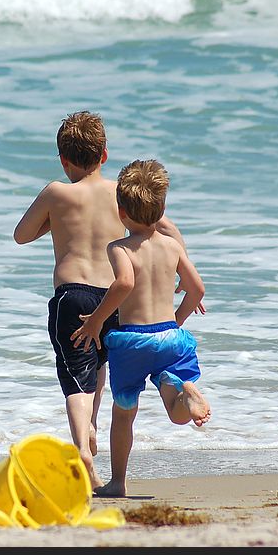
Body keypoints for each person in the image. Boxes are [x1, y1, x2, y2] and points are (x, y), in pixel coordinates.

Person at [13, 111, 200, 490]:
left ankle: (83, 444)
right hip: (113, 300)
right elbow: (166, 228)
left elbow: (22, 235)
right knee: (101, 372)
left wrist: (54, 219)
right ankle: (98, 437)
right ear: (105, 154)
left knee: (76, 381)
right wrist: (181, 268)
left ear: (63, 159)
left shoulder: (57, 192)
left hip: (72, 294)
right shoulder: (121, 196)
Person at [70, 159, 211, 497]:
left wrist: (97, 320)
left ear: (122, 213)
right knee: (175, 410)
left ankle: (118, 482)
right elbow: (197, 290)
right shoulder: (173, 246)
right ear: (161, 207)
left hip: (132, 341)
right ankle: (187, 395)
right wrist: (176, 321)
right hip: (169, 337)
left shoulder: (119, 248)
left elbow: (124, 283)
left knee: (124, 414)